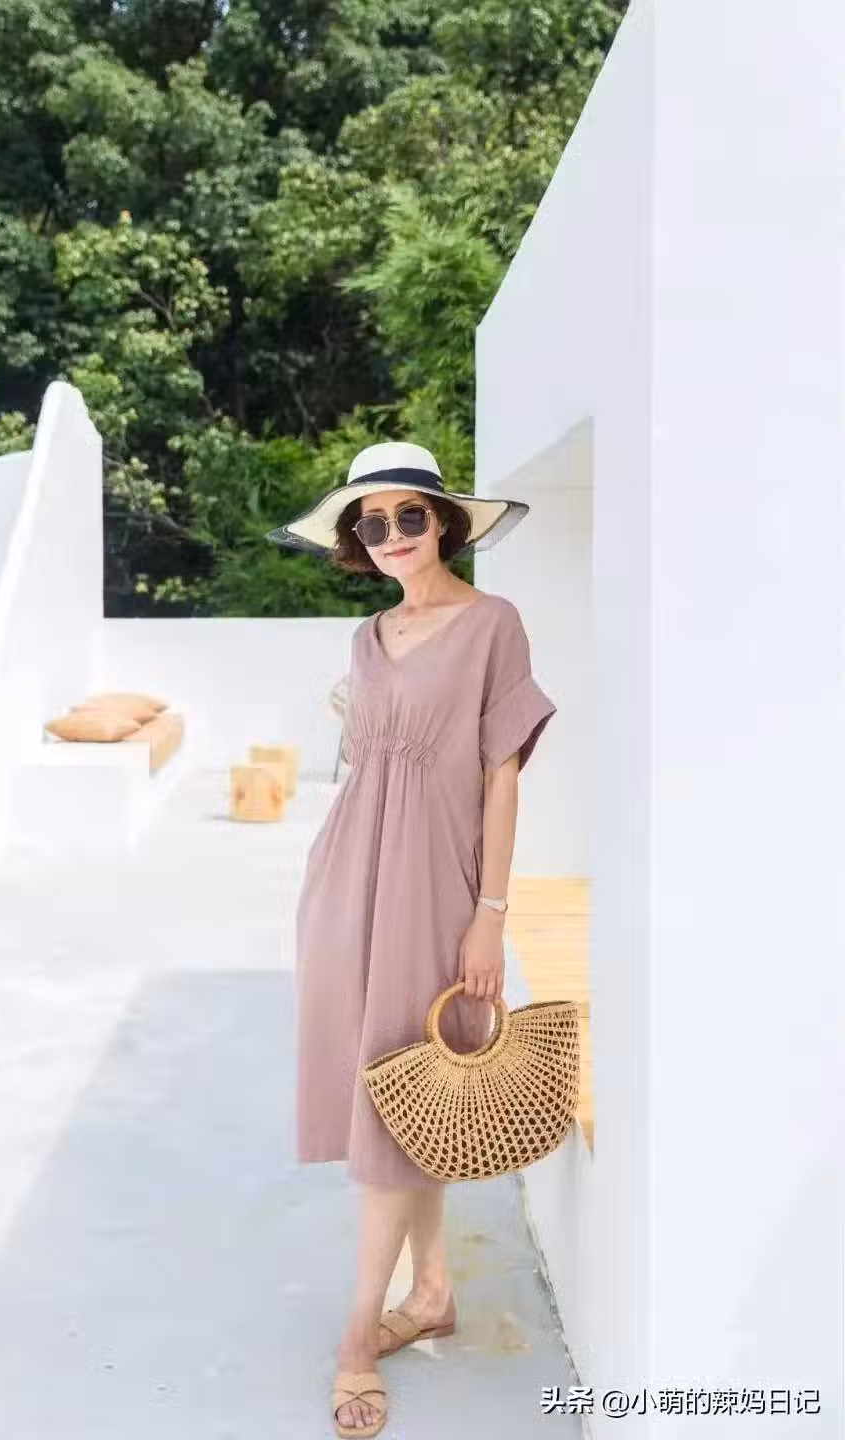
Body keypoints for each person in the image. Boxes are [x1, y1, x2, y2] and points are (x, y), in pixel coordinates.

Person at [265, 440, 558, 1438]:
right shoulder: (368, 637)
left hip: (436, 885)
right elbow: (364, 760)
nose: (390, 534)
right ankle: (429, 1293)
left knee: (400, 1093)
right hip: (347, 876)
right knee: (396, 1090)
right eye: (372, 521)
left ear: (445, 524)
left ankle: (357, 1336)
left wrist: (492, 911)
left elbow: (500, 779)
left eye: (409, 515)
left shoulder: (493, 625)